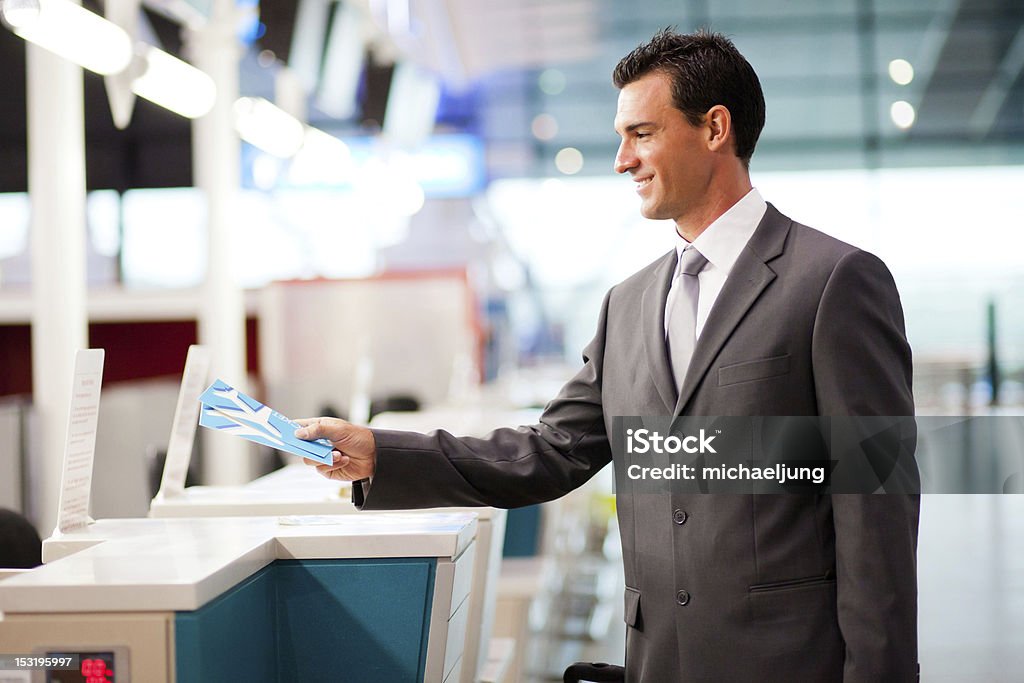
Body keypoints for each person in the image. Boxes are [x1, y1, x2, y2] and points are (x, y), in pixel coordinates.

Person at [296, 29, 919, 682]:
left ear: (715, 128)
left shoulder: (834, 281)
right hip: (659, 661)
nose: (623, 160)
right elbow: (547, 450)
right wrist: (381, 452)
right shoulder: (628, 304)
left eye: (642, 133)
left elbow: (877, 506)